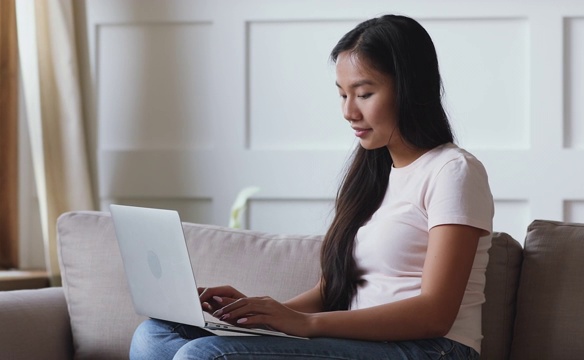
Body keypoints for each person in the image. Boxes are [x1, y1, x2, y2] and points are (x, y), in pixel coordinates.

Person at [130, 14, 493, 360]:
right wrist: (256, 313)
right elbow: (330, 292)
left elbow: (435, 314)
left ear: (409, 89)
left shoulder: (453, 171)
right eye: (342, 94)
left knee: (204, 355)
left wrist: (306, 325)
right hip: (358, 342)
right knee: (155, 335)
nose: (349, 112)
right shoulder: (372, 173)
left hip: (430, 349)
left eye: (364, 94)